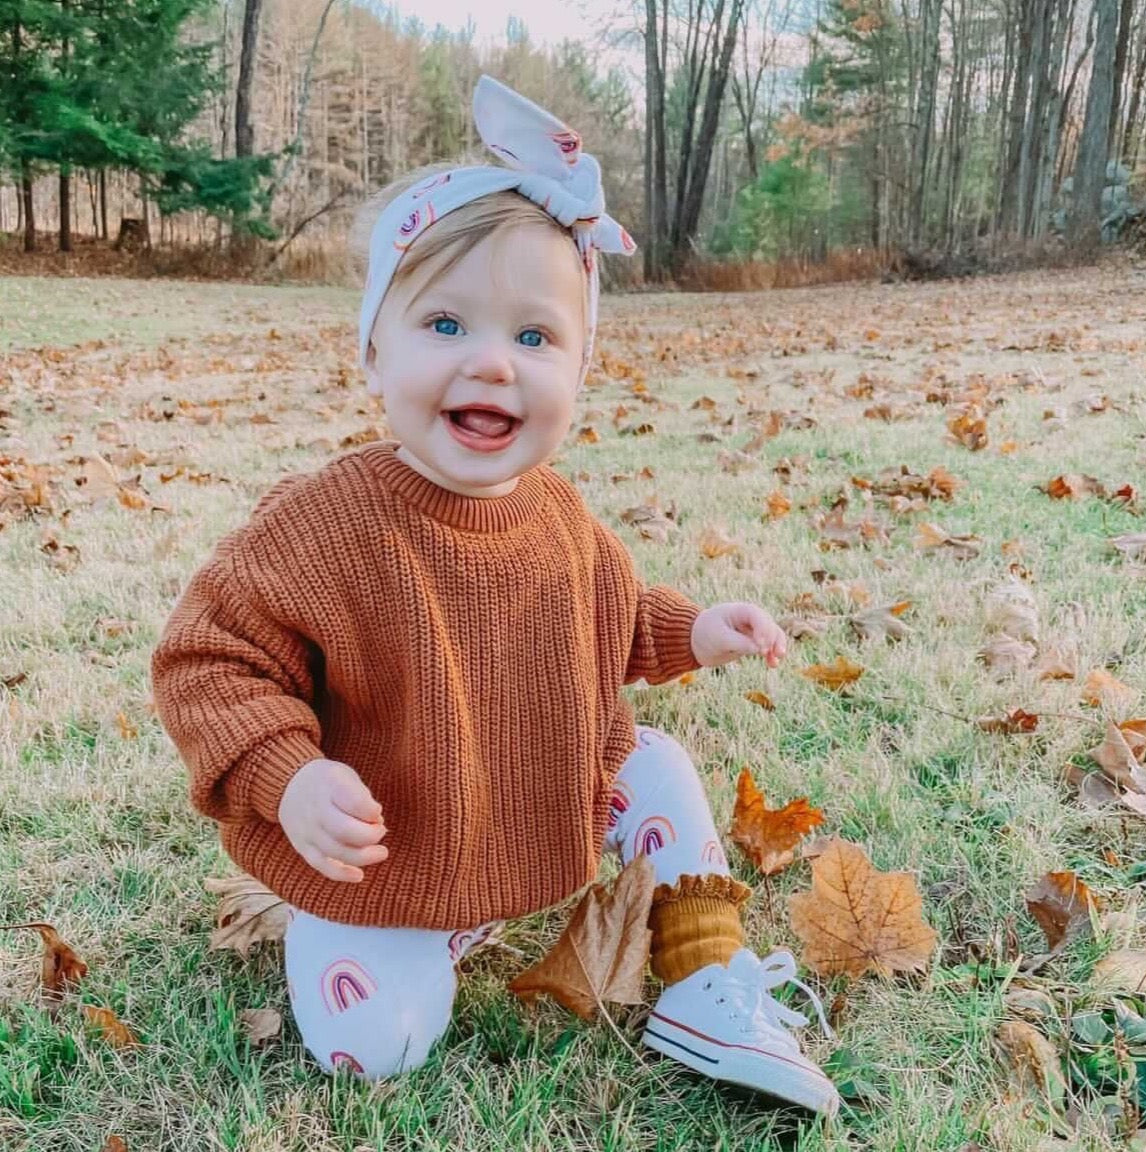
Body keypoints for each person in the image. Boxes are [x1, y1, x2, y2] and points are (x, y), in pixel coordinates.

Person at [151, 74, 840, 1116]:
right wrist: (289, 779)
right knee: (374, 1048)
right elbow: (208, 661)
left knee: (656, 765)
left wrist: (697, 630)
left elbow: (609, 614)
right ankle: (405, 934)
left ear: (578, 371)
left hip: (524, 804)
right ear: (373, 352)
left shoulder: (557, 513)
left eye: (533, 337)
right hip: (382, 850)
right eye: (444, 324)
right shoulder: (325, 526)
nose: (491, 364)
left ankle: (704, 975)